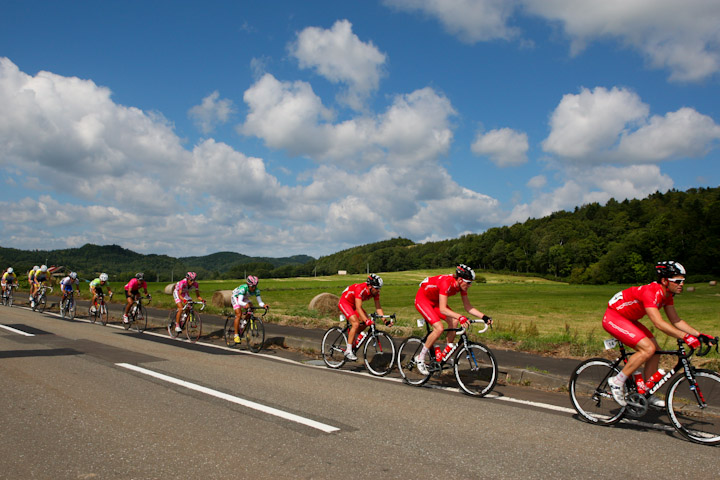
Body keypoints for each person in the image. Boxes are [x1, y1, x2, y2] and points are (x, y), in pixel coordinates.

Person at [604, 260, 716, 408]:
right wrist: (685, 336)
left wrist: (699, 335)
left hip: (629, 319)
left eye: (683, 280)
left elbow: (676, 320)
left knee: (655, 351)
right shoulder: (651, 292)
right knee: (648, 349)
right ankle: (617, 382)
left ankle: (648, 392)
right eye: (677, 281)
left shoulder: (667, 295)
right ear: (664, 280)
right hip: (614, 317)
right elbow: (658, 323)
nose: (681, 284)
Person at [414, 264, 492, 375]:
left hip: (435, 301)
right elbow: (443, 309)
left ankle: (446, 352)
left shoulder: (461, 286)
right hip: (423, 300)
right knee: (439, 328)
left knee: (454, 321)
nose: (469, 285)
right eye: (468, 282)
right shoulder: (446, 283)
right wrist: (460, 316)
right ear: (460, 280)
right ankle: (420, 358)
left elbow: (468, 307)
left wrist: (484, 317)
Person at [337, 274, 385, 361]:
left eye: (379, 288)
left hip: (354, 305)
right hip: (345, 302)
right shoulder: (360, 289)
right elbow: (359, 308)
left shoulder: (375, 292)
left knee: (366, 322)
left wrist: (385, 320)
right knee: (356, 323)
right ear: (370, 286)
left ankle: (353, 339)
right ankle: (348, 350)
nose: (378, 290)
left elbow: (378, 307)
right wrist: (366, 320)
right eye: (376, 288)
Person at [230, 275, 268, 344]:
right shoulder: (243, 288)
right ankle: (236, 335)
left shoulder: (256, 290)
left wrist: (264, 305)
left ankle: (243, 322)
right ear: (248, 285)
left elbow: (260, 302)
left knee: (251, 308)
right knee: (238, 314)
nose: (254, 288)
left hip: (244, 297)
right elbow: (240, 302)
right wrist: (245, 304)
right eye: (252, 287)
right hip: (236, 297)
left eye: (255, 286)